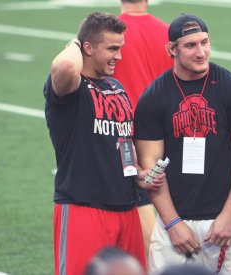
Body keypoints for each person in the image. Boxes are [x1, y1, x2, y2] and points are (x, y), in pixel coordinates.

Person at [134, 14, 231, 274]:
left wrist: (229, 216)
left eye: (204, 42)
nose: (201, 52)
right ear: (172, 49)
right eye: (190, 45)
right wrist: (172, 224)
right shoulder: (153, 98)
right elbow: (152, 169)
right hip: (176, 223)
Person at [43, 12, 164, 275]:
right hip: (83, 209)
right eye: (112, 48)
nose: (119, 57)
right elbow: (64, 67)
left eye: (120, 48)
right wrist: (76, 42)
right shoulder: (71, 88)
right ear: (87, 47)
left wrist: (138, 175)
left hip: (127, 208)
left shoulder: (116, 86)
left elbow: (122, 142)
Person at [114, 0, 173, 262]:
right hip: (168, 132)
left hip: (127, 136)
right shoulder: (168, 31)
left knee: (141, 209)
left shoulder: (112, 34)